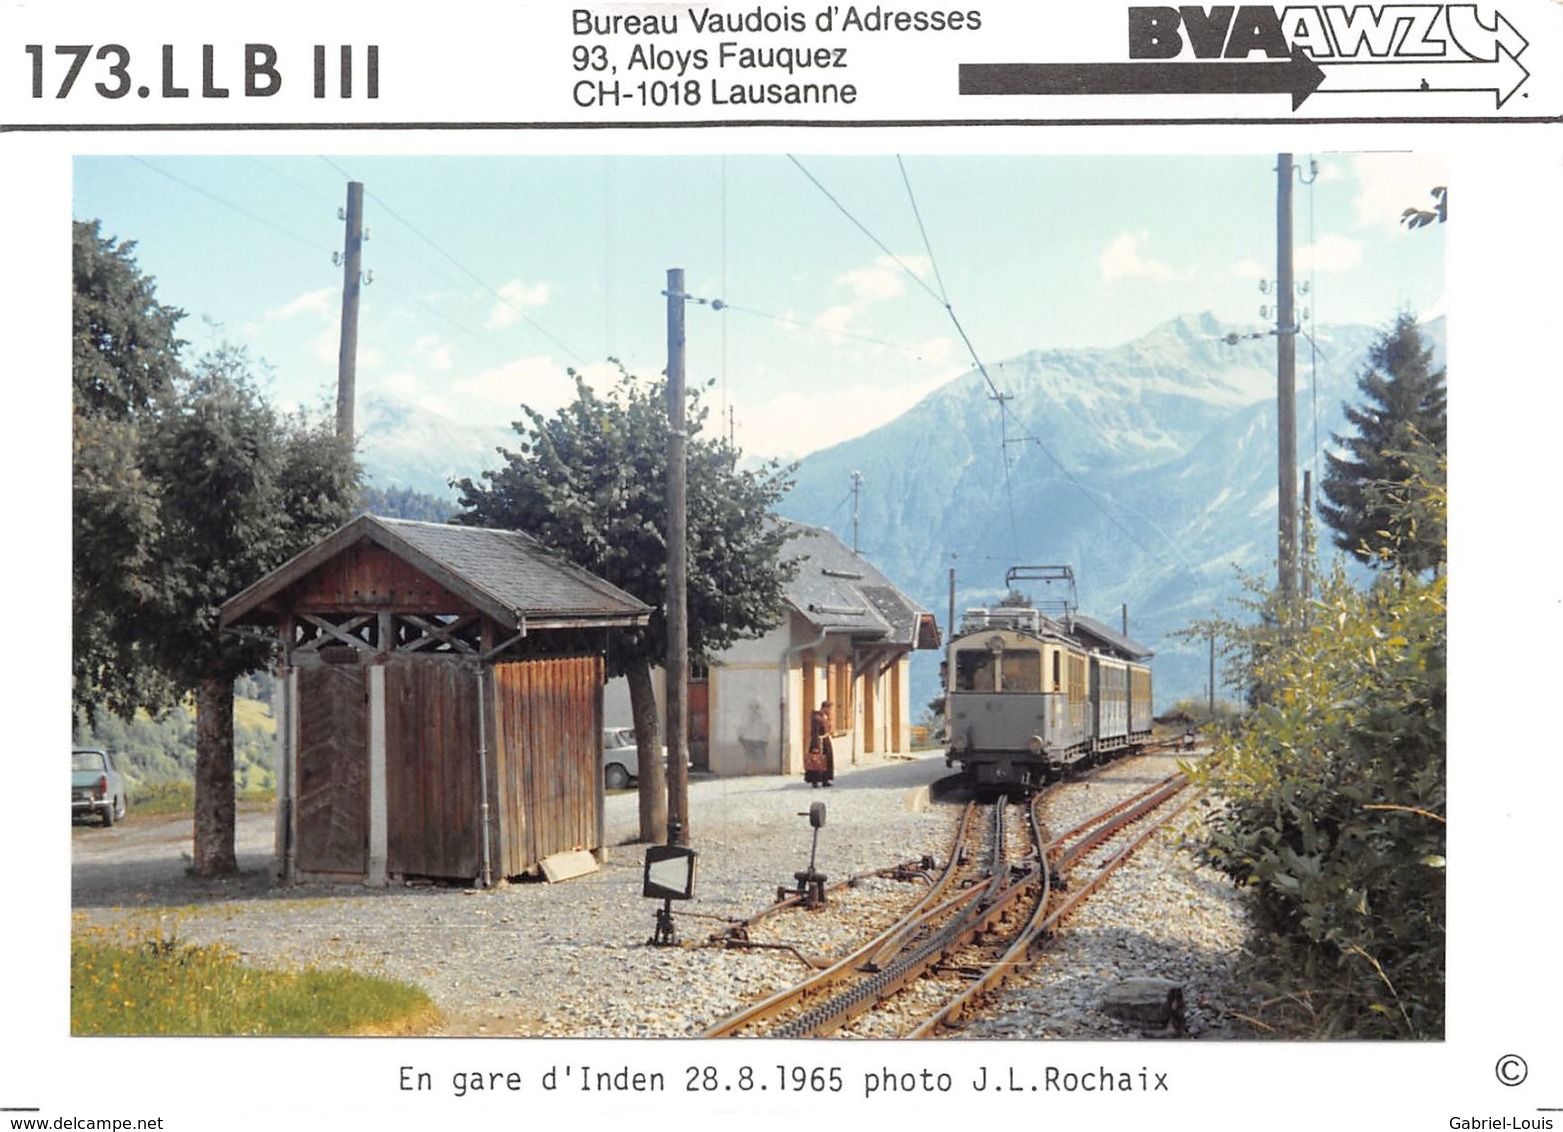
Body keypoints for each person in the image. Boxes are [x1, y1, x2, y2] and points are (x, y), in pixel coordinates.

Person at [806, 700, 835, 787]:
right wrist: (816, 746)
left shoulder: (823, 717)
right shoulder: (816, 718)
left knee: (826, 761)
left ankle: (825, 780)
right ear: (825, 708)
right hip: (818, 742)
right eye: (829, 708)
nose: (830, 711)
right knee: (816, 761)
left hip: (825, 741)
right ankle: (814, 781)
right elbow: (815, 733)